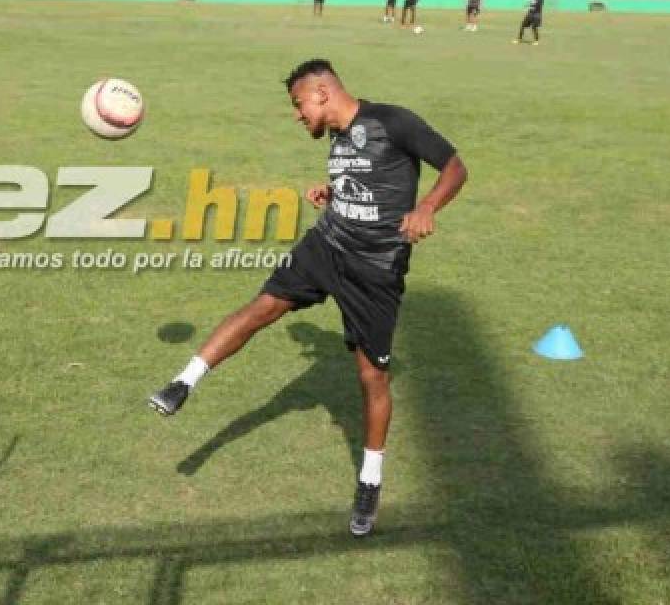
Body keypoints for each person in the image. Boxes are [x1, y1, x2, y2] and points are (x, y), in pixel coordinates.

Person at [149, 58, 468, 538]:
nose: (298, 115)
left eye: (299, 105)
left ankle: (369, 480)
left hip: (376, 269)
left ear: (322, 92)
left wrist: (426, 207)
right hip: (327, 246)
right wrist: (335, 191)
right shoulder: (339, 139)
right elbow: (366, 181)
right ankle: (183, 383)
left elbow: (455, 167)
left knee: (371, 376)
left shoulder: (392, 121)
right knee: (264, 307)